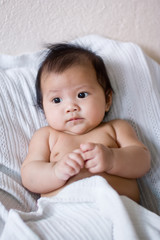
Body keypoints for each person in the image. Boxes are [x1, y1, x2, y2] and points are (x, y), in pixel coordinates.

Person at [21, 43, 151, 202]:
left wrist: (112, 158)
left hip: (119, 208)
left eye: (81, 95)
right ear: (43, 107)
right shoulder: (46, 136)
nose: (70, 107)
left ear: (107, 100)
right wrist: (55, 172)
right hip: (65, 213)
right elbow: (29, 176)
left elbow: (143, 161)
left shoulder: (116, 128)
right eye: (57, 100)